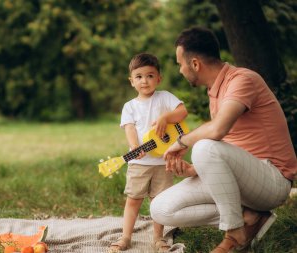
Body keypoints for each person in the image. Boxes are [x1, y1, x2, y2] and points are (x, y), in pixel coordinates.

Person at [150, 27, 296, 253]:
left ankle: (234, 233)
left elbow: (218, 131)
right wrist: (195, 170)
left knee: (204, 146)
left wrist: (181, 142)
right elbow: (231, 145)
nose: (180, 70)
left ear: (195, 64)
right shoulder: (214, 91)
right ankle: (251, 217)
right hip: (245, 179)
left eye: (180, 64)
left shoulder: (243, 79)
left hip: (271, 180)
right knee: (160, 208)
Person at [109, 53, 188, 252]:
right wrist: (135, 146)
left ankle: (158, 238)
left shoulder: (165, 98)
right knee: (133, 200)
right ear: (132, 81)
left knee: (158, 202)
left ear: (159, 78)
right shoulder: (130, 107)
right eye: (139, 76)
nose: (145, 80)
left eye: (150, 75)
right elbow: (129, 128)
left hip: (164, 162)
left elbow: (182, 112)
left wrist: (165, 118)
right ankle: (126, 237)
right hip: (139, 164)